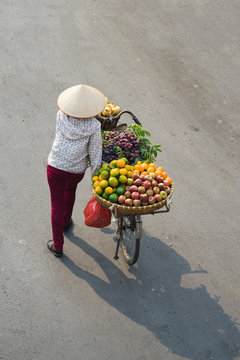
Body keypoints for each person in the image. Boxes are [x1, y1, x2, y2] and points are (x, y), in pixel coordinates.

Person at [47, 84, 106, 257]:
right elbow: (95, 154)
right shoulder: (94, 126)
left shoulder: (61, 116)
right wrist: (96, 180)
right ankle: (65, 221)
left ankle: (58, 245)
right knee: (70, 191)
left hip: (55, 166)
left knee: (55, 205)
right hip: (75, 172)